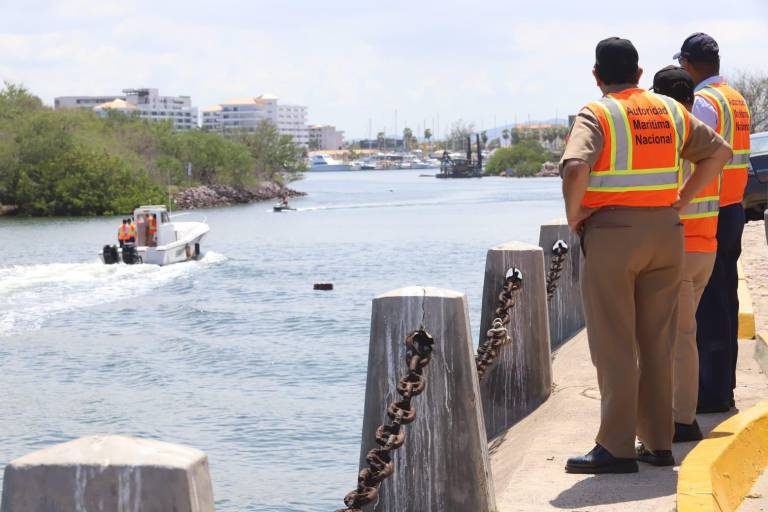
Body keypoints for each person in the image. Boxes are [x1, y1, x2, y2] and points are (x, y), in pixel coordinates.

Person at [561, 37, 732, 474]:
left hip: (612, 235)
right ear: (639, 74)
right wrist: (682, 199)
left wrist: (575, 214)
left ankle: (616, 446)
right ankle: (658, 443)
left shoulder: (597, 113)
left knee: (615, 342)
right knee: (659, 341)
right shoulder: (671, 109)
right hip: (667, 233)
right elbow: (720, 153)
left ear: (597, 75)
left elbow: (575, 167)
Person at [675, 33, 752, 414]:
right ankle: (724, 385)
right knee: (725, 300)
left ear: (689, 64)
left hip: (712, 212)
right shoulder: (736, 98)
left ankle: (711, 391)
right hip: (734, 207)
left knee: (709, 308)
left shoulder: (704, 102)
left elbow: (696, 152)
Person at [651, 65, 720, 442]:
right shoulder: (707, 138)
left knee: (679, 339)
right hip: (705, 247)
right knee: (683, 334)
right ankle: (679, 414)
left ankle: (682, 420)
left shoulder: (672, 140)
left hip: (680, 248)